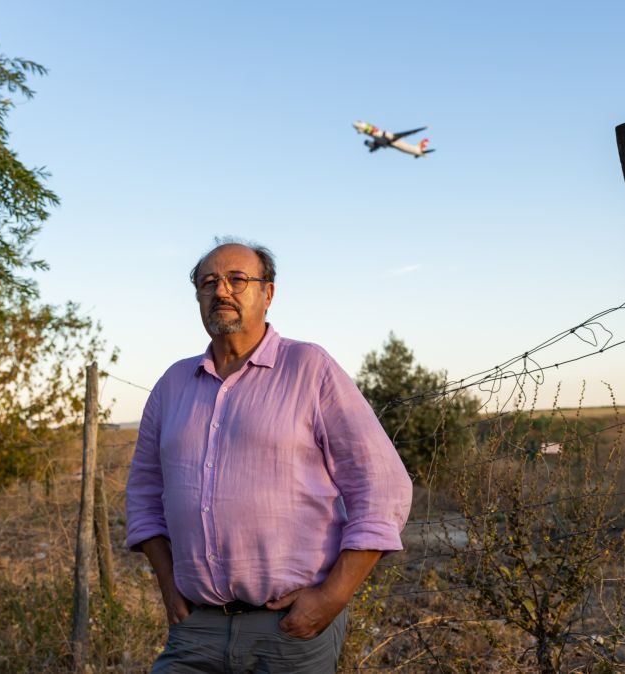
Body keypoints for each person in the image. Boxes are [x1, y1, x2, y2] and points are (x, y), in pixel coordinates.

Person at [126, 240, 413, 673]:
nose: (221, 291)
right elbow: (144, 496)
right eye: (208, 282)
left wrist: (333, 596)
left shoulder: (310, 368)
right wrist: (169, 586)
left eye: (237, 280)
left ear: (268, 292)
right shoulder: (171, 385)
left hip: (290, 630)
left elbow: (382, 486)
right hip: (196, 628)